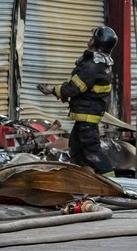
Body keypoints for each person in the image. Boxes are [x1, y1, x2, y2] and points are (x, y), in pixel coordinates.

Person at [36, 26, 118, 177]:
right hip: (86, 114)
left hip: (87, 115)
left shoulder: (93, 66)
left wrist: (52, 90)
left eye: (93, 37)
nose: (90, 39)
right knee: (76, 148)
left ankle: (112, 182)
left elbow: (73, 88)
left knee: (92, 151)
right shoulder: (100, 63)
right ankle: (82, 179)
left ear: (97, 42)